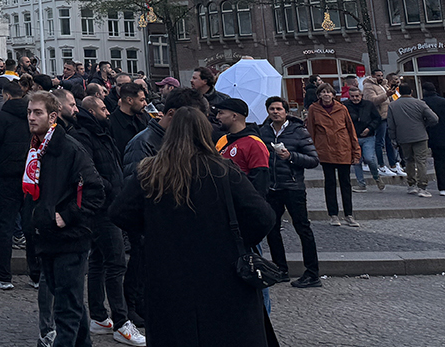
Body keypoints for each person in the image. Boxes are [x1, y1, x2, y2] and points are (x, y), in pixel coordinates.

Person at [109, 106, 277, 347]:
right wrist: (236, 238)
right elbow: (263, 217)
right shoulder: (223, 171)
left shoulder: (151, 173)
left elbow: (119, 212)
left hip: (169, 276)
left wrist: (154, 231)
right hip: (223, 273)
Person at [23, 91, 105, 347]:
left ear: (53, 116)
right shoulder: (37, 148)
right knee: (68, 300)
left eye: (38, 113)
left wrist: (65, 216)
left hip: (70, 238)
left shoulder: (69, 148)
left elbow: (95, 190)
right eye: (29, 112)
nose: (31, 117)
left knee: (66, 311)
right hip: (46, 237)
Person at [69, 94, 144, 345]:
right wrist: (111, 189)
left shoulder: (101, 132)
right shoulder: (85, 136)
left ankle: (99, 317)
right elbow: (88, 171)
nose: (107, 112)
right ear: (91, 112)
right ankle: (121, 323)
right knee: (116, 263)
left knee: (100, 260)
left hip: (109, 202)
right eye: (102, 108)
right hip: (102, 207)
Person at [260, 96, 322, 288]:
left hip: (293, 187)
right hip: (272, 188)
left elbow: (313, 160)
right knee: (271, 228)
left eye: (279, 109)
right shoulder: (263, 132)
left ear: (286, 111)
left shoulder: (298, 131)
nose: (275, 112)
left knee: (302, 228)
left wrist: (291, 156)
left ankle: (312, 273)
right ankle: (280, 269)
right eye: (272, 109)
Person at [0, 78, 31, 291]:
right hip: (29, 177)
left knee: (4, 228)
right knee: (30, 226)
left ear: (6, 96)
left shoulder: (1, 117)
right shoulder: (33, 117)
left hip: (6, 176)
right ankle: (36, 274)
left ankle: (3, 276)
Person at [306, 82, 362, 225]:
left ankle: (349, 214)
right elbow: (311, 131)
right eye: (323, 92)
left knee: (345, 183)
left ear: (333, 94)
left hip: (343, 149)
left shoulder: (342, 108)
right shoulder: (314, 109)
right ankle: (333, 215)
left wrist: (356, 152)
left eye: (328, 92)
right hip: (325, 150)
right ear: (319, 95)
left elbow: (351, 130)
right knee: (330, 183)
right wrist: (311, 150)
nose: (326, 94)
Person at [387, 81, 439, 197]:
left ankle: (411, 185)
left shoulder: (393, 106)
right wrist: (424, 124)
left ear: (399, 92)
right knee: (421, 161)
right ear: (411, 92)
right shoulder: (420, 103)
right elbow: (434, 119)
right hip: (420, 135)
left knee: (408, 160)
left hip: (403, 137)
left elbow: (391, 125)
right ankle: (422, 187)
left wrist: (393, 139)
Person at [214, 98, 271, 195]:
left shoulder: (254, 143)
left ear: (234, 116)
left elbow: (260, 181)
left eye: (221, 113)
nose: (217, 117)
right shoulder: (223, 140)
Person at [343, 77, 383, 192]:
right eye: (353, 97)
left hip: (368, 136)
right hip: (353, 137)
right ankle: (361, 184)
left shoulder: (369, 105)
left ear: (361, 95)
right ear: (349, 97)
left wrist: (370, 128)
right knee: (357, 161)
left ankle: (376, 177)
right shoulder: (345, 106)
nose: (355, 99)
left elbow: (377, 118)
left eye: (357, 96)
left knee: (370, 158)